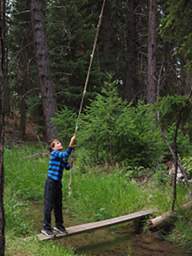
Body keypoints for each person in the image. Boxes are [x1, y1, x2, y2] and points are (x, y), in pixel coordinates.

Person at [41, 135, 76, 238]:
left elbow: (67, 167)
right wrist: (71, 144)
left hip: (57, 183)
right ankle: (46, 227)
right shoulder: (54, 154)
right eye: (57, 143)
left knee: (58, 205)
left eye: (60, 142)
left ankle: (59, 225)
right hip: (51, 183)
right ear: (52, 147)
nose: (60, 143)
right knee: (49, 205)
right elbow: (65, 153)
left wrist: (71, 163)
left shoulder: (61, 156)